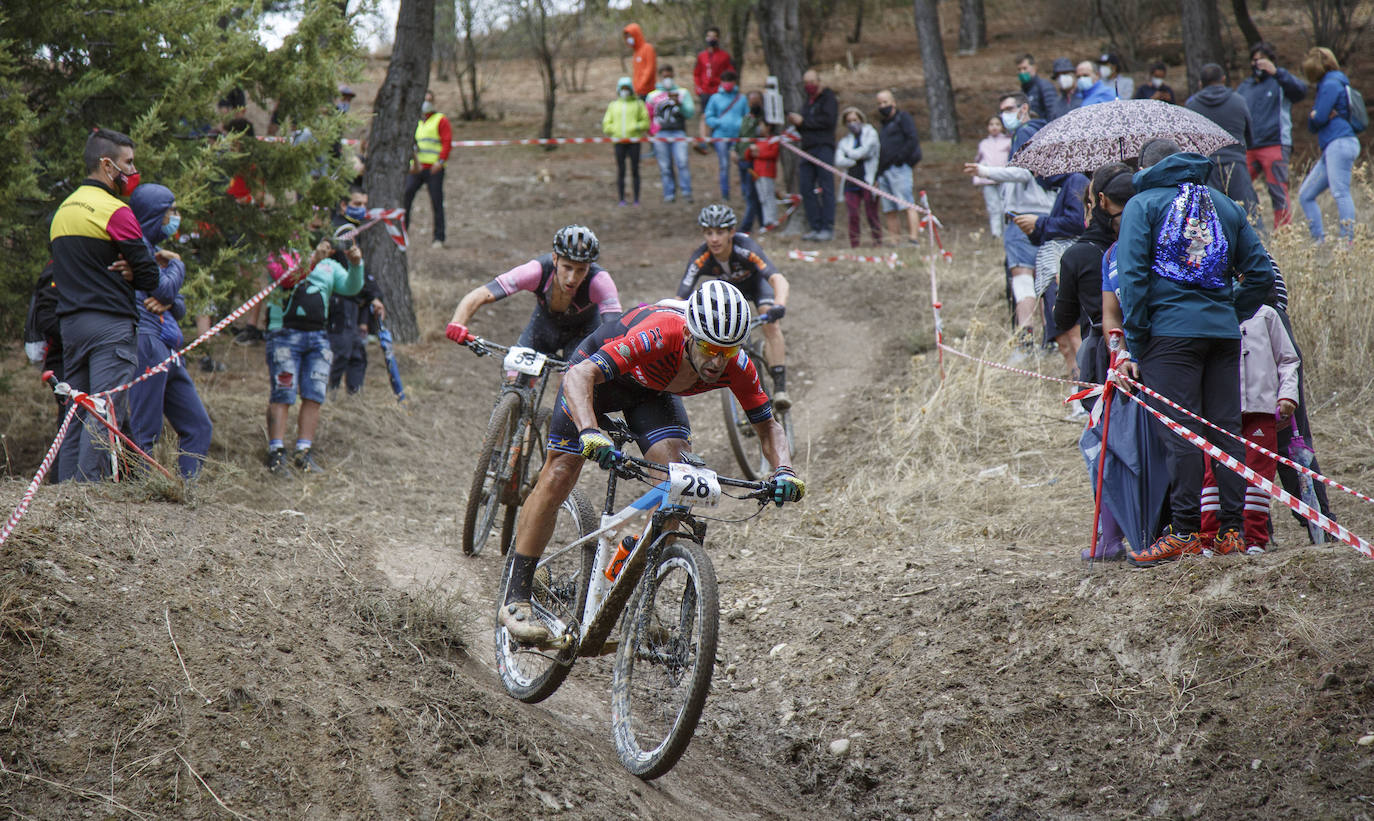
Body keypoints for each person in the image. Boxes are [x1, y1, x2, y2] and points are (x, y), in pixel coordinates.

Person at [499, 281, 804, 643]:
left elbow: (768, 427)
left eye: (728, 350)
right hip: (596, 378)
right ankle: (516, 596)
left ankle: (632, 596)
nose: (717, 361)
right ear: (691, 333)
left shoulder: (735, 363)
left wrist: (784, 469)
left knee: (678, 488)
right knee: (562, 470)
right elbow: (580, 375)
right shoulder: (660, 333)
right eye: (708, 347)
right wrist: (589, 430)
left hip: (652, 394)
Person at [1114, 139, 1275, 567]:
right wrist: (1227, 311)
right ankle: (1232, 532)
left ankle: (1184, 531)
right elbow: (1261, 274)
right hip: (1222, 335)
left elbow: (1130, 278)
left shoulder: (1142, 205)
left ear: (1146, 168)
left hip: (1167, 336)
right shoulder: (1225, 204)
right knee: (1225, 430)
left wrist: (1138, 338)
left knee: (1181, 432)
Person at [50, 128, 164, 483]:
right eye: (128, 162)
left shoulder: (63, 211)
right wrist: (134, 271)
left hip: (71, 326)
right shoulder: (115, 211)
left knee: (76, 413)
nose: (133, 170)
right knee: (103, 413)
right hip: (110, 328)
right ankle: (88, 498)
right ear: (106, 164)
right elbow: (151, 279)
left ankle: (66, 497)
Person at [1199, 289, 1299, 555]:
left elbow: (1288, 360)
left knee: (1259, 475)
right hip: (1219, 412)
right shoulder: (1209, 314)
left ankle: (1255, 539)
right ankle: (1209, 538)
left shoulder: (1267, 315)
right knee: (1213, 473)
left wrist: (1287, 395)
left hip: (1260, 409)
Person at [125, 184, 213, 480]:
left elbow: (179, 306)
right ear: (154, 214)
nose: (176, 217)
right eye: (171, 211)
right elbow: (163, 289)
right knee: (144, 428)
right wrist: (177, 265)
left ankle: (186, 492)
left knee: (199, 426)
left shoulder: (154, 253)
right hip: (148, 343)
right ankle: (136, 495)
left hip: (171, 349)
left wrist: (170, 297)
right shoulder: (138, 251)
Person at [263, 234, 366, 476]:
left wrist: (355, 264)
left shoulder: (330, 265)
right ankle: (276, 451)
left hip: (318, 337)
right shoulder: (280, 254)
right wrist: (312, 259)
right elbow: (286, 279)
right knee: (283, 390)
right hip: (284, 334)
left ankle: (303, 451)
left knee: (314, 392)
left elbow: (351, 287)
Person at [445, 226, 621, 361]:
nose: (572, 278)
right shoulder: (536, 271)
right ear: (554, 259)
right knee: (514, 375)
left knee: (572, 383)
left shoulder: (600, 281)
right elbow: (482, 293)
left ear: (589, 267)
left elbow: (614, 328)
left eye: (581, 270)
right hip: (544, 326)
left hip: (585, 330)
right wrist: (457, 323)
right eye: (567, 267)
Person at [962, 93, 1053, 351]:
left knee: (1023, 277)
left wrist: (985, 171)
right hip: (1048, 217)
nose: (1005, 115)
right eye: (1002, 110)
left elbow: (1022, 173)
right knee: (1047, 280)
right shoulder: (1049, 135)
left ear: (1024, 108)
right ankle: (1052, 338)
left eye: (1009, 108)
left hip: (1022, 217)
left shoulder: (1024, 134)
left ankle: (1026, 339)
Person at [678, 204, 791, 407]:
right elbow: (680, 298)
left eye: (720, 232)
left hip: (757, 286)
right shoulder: (701, 256)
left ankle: (781, 387)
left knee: (769, 321)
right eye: (708, 232)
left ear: (731, 232)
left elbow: (777, 279)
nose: (714, 239)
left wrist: (779, 304)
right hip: (731, 294)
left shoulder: (745, 247)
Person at [1053, 163, 1134, 391]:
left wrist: (1062, 291)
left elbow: (1062, 319)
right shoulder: (1150, 242)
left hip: (1104, 357)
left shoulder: (1078, 255)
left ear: (1099, 202)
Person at [1237, 43, 1306, 229]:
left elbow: (1300, 91)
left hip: (1275, 144)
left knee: (1277, 190)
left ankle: (1284, 232)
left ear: (1271, 61)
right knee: (1238, 186)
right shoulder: (1245, 86)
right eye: (1254, 59)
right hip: (1249, 146)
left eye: (1262, 59)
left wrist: (1276, 72)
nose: (1258, 63)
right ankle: (1241, 228)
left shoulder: (1281, 81)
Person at [1298, 47, 1360, 243]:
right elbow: (1314, 123)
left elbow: (1318, 118)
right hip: (1333, 146)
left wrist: (1317, 115)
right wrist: (1316, 116)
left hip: (1339, 143)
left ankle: (1347, 242)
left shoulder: (1331, 83)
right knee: (1305, 194)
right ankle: (1319, 241)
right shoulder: (1331, 82)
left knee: (1341, 192)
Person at [326, 188, 385, 395]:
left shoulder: (350, 229)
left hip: (351, 302)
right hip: (338, 301)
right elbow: (351, 268)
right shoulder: (341, 231)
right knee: (340, 351)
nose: (362, 209)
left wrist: (374, 296)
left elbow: (360, 269)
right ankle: (327, 395)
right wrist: (372, 295)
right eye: (356, 204)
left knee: (356, 353)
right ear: (343, 205)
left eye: (364, 205)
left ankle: (354, 398)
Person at [1185, 63, 1260, 225]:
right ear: (1223, 79)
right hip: (1236, 165)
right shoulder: (1239, 101)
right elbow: (1251, 138)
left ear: (1200, 83)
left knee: (1211, 221)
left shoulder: (1191, 106)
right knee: (1250, 216)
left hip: (1206, 169)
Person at [787, 69, 838, 241]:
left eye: (811, 82)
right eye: (805, 83)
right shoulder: (807, 103)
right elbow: (805, 126)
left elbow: (828, 121)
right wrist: (798, 123)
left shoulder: (829, 99)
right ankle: (815, 226)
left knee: (827, 187)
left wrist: (804, 122)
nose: (809, 86)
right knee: (805, 187)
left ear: (819, 80)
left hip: (824, 148)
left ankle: (827, 227)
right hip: (807, 149)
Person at [874, 89, 924, 245]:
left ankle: (913, 238)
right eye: (879, 103)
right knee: (889, 209)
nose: (883, 106)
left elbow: (912, 139)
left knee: (907, 203)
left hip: (900, 169)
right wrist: (877, 175)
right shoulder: (884, 126)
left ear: (893, 103)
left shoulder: (903, 118)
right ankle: (894, 241)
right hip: (884, 172)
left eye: (885, 102)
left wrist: (900, 160)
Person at [404, 90, 451, 249]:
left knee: (437, 202)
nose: (426, 103)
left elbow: (447, 142)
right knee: (406, 197)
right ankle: (403, 234)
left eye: (429, 100)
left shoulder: (440, 120)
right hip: (416, 168)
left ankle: (439, 237)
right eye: (424, 99)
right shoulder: (415, 121)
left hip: (434, 169)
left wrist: (440, 161)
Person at [646, 65, 696, 203]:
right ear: (660, 76)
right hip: (660, 133)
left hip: (678, 131)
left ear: (673, 75)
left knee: (682, 162)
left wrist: (679, 104)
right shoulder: (652, 95)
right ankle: (669, 193)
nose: (667, 78)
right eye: (664, 76)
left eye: (669, 75)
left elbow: (690, 113)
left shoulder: (682, 93)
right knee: (665, 165)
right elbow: (648, 115)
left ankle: (686, 192)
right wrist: (650, 132)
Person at [835, 107, 882, 248]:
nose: (852, 123)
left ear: (861, 120)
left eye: (855, 120)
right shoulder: (845, 141)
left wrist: (849, 154)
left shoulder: (871, 134)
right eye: (849, 121)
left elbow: (865, 151)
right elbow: (838, 161)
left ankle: (877, 241)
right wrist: (853, 160)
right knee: (853, 215)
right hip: (851, 182)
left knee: (871, 213)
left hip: (868, 179)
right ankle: (855, 244)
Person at [602, 76, 650, 206]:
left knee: (635, 170)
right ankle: (621, 199)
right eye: (622, 88)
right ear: (619, 90)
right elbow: (606, 124)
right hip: (618, 142)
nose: (624, 91)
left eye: (627, 88)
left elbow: (645, 122)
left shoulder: (638, 104)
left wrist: (635, 127)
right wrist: (614, 130)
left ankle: (636, 199)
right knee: (621, 170)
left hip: (634, 141)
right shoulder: (613, 105)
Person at [703, 70, 747, 200]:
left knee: (741, 163)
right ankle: (725, 194)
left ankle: (745, 192)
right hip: (720, 136)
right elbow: (708, 116)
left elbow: (747, 116)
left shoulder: (742, 98)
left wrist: (741, 126)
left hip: (738, 137)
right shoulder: (715, 98)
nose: (727, 84)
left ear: (734, 82)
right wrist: (719, 123)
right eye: (725, 81)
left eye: (730, 81)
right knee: (724, 165)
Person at [693, 26, 735, 152]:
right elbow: (697, 73)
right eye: (709, 36)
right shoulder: (701, 56)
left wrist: (726, 86)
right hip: (705, 91)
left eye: (714, 36)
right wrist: (698, 88)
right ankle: (704, 141)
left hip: (719, 91)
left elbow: (730, 72)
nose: (711, 38)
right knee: (704, 115)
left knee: (718, 115)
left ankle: (715, 138)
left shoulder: (724, 56)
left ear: (718, 38)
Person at [972, 114, 1012, 238]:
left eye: (997, 124)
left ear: (1002, 126)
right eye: (991, 124)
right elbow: (979, 159)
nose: (994, 127)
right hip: (987, 180)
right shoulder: (984, 144)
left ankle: (1006, 232)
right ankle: (996, 233)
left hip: (1004, 178)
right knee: (993, 207)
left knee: (1005, 206)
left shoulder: (1008, 142)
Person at [735, 90, 766, 232]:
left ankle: (746, 227)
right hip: (742, 160)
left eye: (757, 100)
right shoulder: (745, 118)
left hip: (754, 162)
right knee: (749, 193)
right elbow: (740, 136)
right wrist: (733, 151)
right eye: (751, 100)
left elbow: (765, 133)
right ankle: (762, 222)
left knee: (751, 194)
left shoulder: (764, 119)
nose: (754, 103)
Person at [744, 122, 781, 230]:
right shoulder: (759, 140)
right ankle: (766, 221)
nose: (759, 128)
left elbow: (773, 154)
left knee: (768, 196)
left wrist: (758, 153)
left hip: (767, 172)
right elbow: (748, 156)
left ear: (768, 127)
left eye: (762, 126)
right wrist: (751, 150)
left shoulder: (773, 140)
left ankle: (772, 220)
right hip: (757, 173)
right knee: (762, 198)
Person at [1016, 54, 1063, 121]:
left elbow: (1052, 111)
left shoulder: (1044, 86)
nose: (1022, 72)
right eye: (1019, 69)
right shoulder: (1022, 91)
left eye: (1025, 68)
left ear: (1034, 68)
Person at [623, 23, 657, 99]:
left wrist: (641, 85)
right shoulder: (636, 52)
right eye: (627, 37)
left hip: (648, 91)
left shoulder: (647, 48)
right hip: (639, 91)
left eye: (630, 36)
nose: (628, 39)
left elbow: (649, 69)